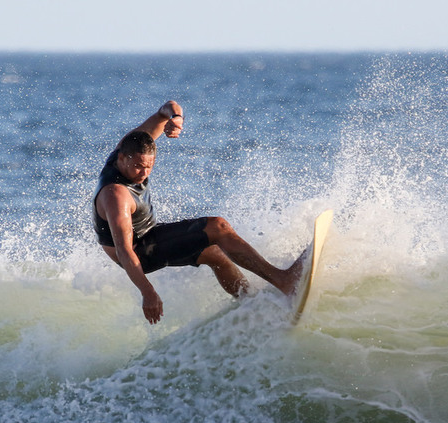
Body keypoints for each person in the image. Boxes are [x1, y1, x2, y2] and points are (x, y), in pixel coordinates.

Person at [93, 100, 302, 324]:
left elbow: (167, 108)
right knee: (217, 227)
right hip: (137, 252)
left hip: (147, 235)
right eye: (138, 167)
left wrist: (176, 119)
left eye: (149, 166)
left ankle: (251, 303)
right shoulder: (116, 196)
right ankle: (283, 280)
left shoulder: (134, 145)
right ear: (121, 158)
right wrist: (148, 292)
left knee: (214, 253)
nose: (144, 173)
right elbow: (125, 252)